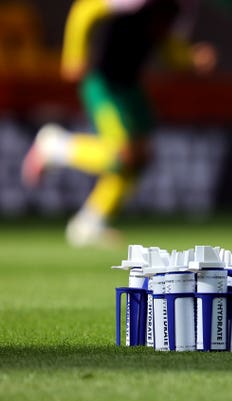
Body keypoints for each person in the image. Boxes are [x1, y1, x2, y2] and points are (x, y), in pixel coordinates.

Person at [21, 0, 215, 247]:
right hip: (104, 82)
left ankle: (90, 222)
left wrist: (191, 59)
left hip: (129, 87)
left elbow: (168, 46)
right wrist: (74, 54)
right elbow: (85, 10)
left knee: (140, 157)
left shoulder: (183, 7)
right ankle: (54, 147)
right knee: (122, 154)